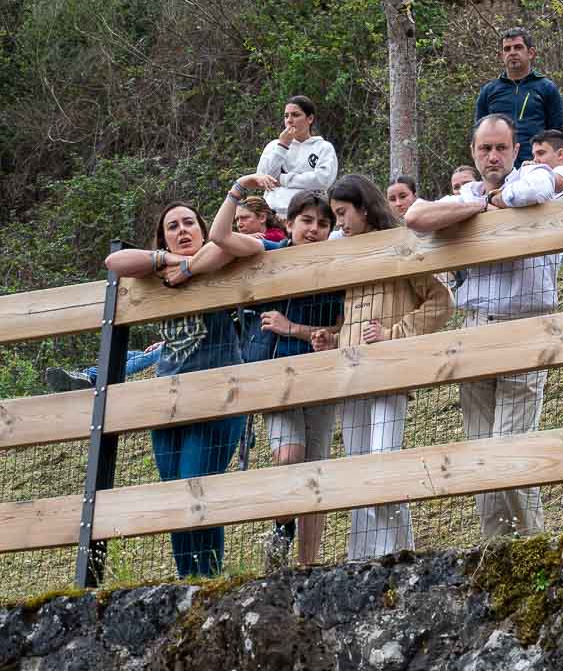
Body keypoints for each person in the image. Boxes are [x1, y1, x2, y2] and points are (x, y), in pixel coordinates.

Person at [404, 114, 562, 539]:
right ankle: (495, 550)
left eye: (501, 148)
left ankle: (536, 544)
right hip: (475, 327)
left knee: (507, 447)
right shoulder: (468, 193)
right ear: (473, 153)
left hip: (524, 327)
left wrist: (487, 205)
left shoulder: (534, 175)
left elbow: (535, 190)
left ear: (515, 150)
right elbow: (416, 216)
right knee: (480, 450)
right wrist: (476, 205)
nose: (493, 156)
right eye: (485, 148)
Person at [103, 203, 247, 577]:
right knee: (173, 498)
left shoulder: (216, 262)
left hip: (214, 396)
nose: (182, 230)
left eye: (189, 224)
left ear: (202, 230)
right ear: (162, 237)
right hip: (163, 403)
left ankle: (209, 581)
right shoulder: (157, 276)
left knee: (194, 487)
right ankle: (188, 582)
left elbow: (225, 245)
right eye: (172, 226)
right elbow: (114, 262)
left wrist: (188, 265)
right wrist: (166, 260)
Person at [210, 182, 344, 568]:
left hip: (321, 377)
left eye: (322, 223)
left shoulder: (338, 264)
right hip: (276, 376)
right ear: (287, 224)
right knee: (289, 457)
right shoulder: (268, 253)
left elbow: (341, 327)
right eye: (306, 221)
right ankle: (282, 533)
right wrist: (237, 190)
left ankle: (307, 566)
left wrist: (301, 331)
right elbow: (219, 236)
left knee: (314, 473)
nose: (313, 229)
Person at [319, 174, 452, 560]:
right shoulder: (346, 255)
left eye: (342, 213)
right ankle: (366, 556)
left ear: (363, 207)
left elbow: (441, 303)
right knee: (358, 467)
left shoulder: (399, 247)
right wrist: (335, 336)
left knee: (382, 461)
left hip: (389, 370)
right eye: (335, 215)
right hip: (349, 372)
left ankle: (390, 555)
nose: (339, 222)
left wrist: (395, 332)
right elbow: (354, 316)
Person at [474, 27, 563, 166]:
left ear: (531, 53)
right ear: (501, 55)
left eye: (518, 47)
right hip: (499, 166)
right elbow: (479, 135)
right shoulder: (488, 91)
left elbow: (556, 134)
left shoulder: (547, 88)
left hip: (536, 167)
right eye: (507, 49)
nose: (512, 53)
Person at [255, 95, 339, 218]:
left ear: (309, 118)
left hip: (309, 215)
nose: (289, 120)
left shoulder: (323, 147)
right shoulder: (273, 146)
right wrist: (282, 146)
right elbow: (263, 179)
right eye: (286, 115)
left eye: (295, 115)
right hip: (273, 215)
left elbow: (322, 180)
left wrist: (283, 179)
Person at [43, 342, 164, 392]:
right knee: (123, 355)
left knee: (146, 357)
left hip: (174, 352)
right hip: (167, 346)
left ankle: (90, 379)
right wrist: (160, 343)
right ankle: (86, 376)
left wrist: (163, 345)